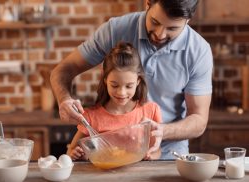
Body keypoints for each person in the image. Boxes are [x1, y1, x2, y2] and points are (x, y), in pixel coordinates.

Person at [50, 0, 213, 159]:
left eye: (172, 28)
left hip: (169, 157)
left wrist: (162, 130)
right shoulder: (115, 30)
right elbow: (63, 70)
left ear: (188, 20)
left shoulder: (199, 51)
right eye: (155, 22)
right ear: (148, 3)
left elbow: (199, 120)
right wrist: (63, 99)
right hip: (113, 157)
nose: (160, 34)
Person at [66, 42, 162, 160]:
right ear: (106, 80)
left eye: (129, 86)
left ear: (138, 81)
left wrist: (151, 156)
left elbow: (156, 150)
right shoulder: (90, 117)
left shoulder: (150, 110)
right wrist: (76, 154)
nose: (121, 93)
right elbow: (70, 151)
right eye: (115, 85)